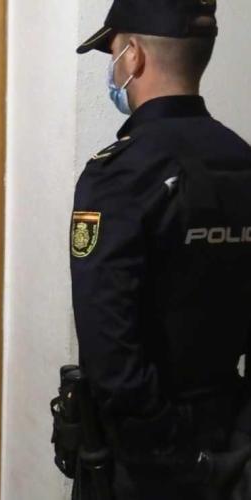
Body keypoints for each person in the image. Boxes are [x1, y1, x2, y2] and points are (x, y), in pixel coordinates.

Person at [71, 0, 251, 498]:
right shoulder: (242, 160)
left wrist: (174, 460)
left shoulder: (120, 174)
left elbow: (110, 354)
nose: (114, 69)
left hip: (144, 461)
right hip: (232, 441)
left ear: (133, 56)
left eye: (113, 53)